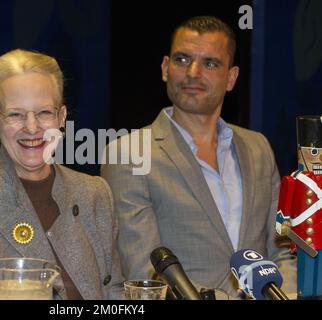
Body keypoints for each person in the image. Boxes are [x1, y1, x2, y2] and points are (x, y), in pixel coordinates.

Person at [101, 16, 296, 299]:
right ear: (165, 68)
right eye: (182, 60)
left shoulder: (258, 148)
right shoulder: (129, 153)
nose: (193, 72)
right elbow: (144, 272)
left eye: (210, 63)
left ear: (231, 78)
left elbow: (283, 251)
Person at [0, 49, 123, 299]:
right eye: (15, 114)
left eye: (44, 112)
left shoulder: (96, 193)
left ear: (61, 118)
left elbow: (116, 293)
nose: (32, 128)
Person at [276, 115, 322, 298]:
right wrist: (282, 221)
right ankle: (306, 294)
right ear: (300, 151)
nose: (319, 157)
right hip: (305, 237)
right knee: (307, 271)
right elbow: (284, 205)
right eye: (313, 152)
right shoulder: (294, 180)